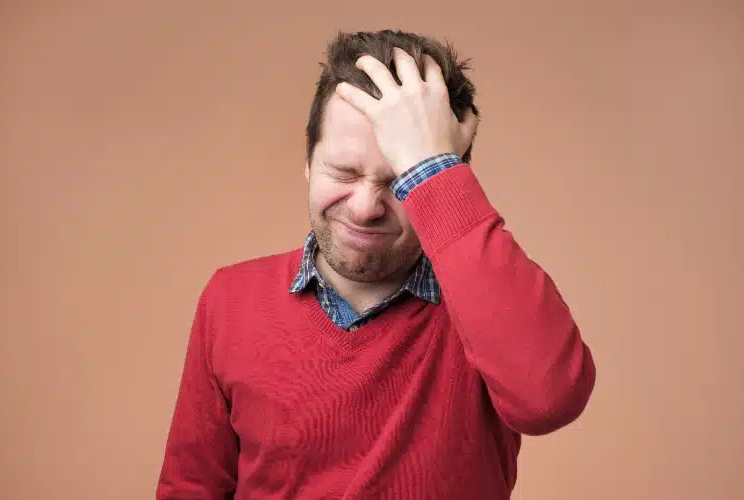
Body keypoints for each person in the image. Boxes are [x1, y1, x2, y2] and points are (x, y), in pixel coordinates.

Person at [156, 29, 596, 499]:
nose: (366, 207)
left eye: (400, 180)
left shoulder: (487, 295)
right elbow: (190, 488)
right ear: (307, 161)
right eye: (343, 172)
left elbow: (550, 400)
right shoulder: (230, 299)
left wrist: (434, 166)